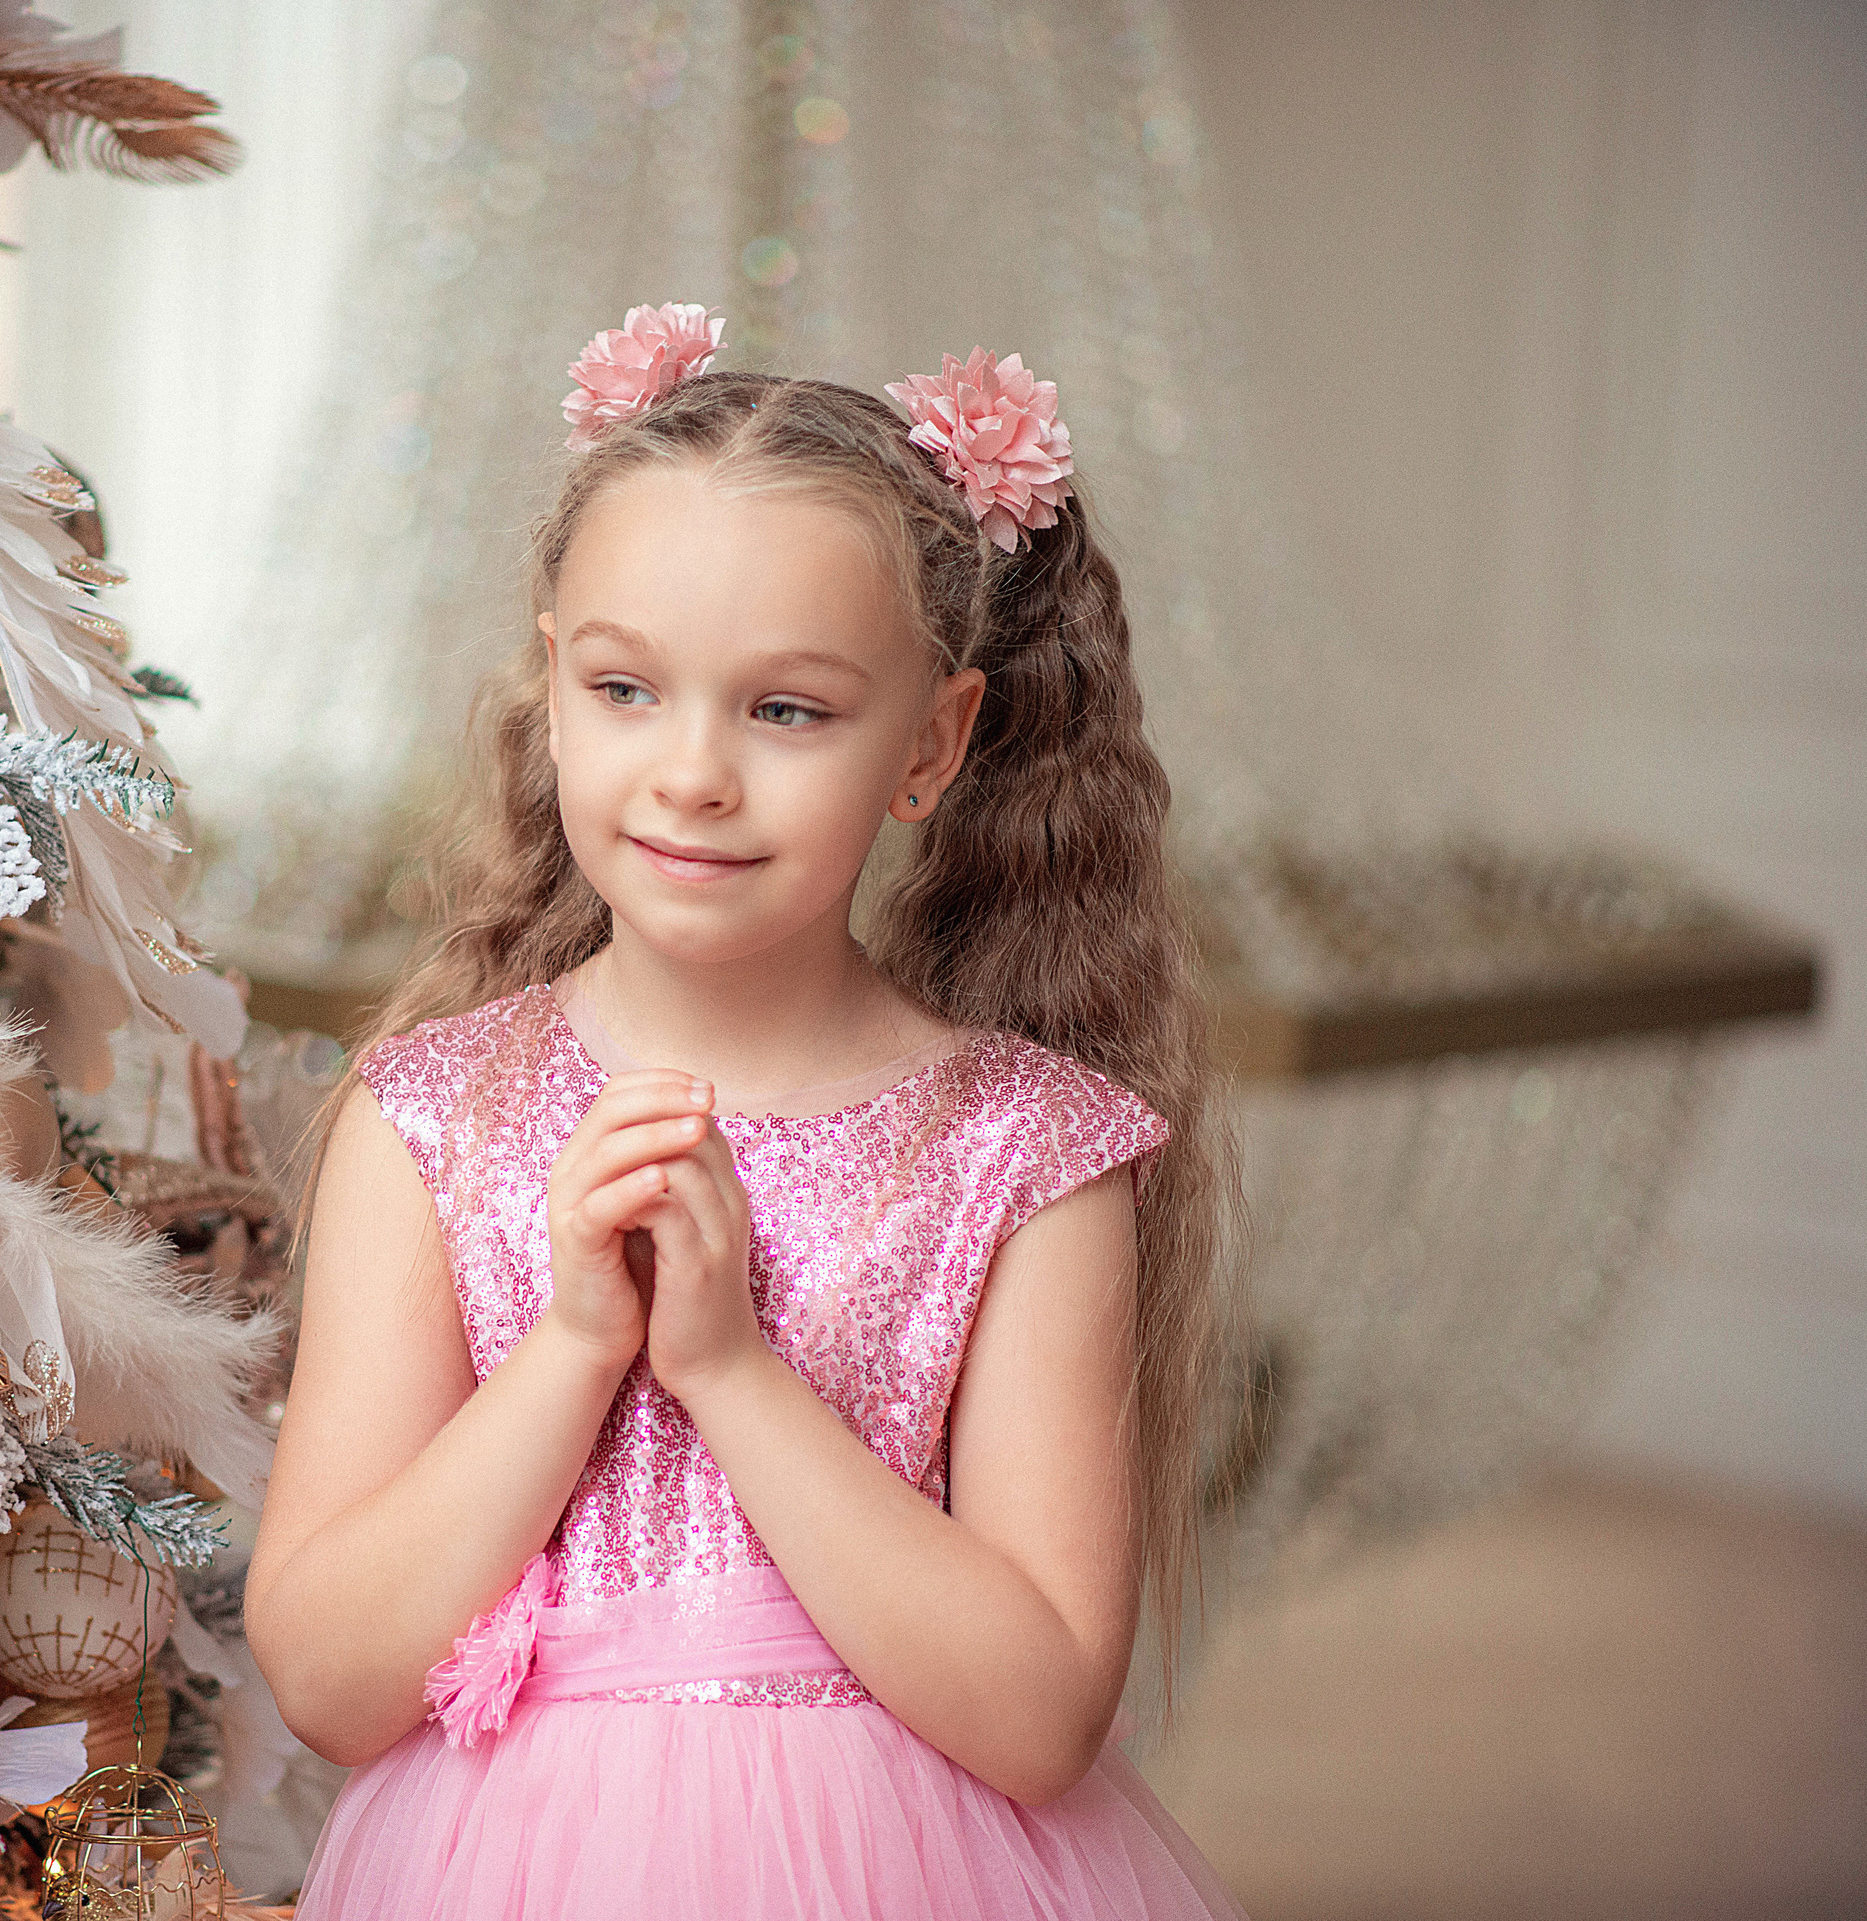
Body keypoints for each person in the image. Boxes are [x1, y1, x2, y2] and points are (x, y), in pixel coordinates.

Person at [247, 302, 1246, 1918]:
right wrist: (576, 1348)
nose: (694, 772)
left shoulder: (1029, 1154)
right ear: (552, 691)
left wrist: (725, 1365)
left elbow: (1045, 1714)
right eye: (628, 687)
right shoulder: (432, 1118)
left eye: (786, 709)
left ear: (930, 744)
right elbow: (329, 1676)